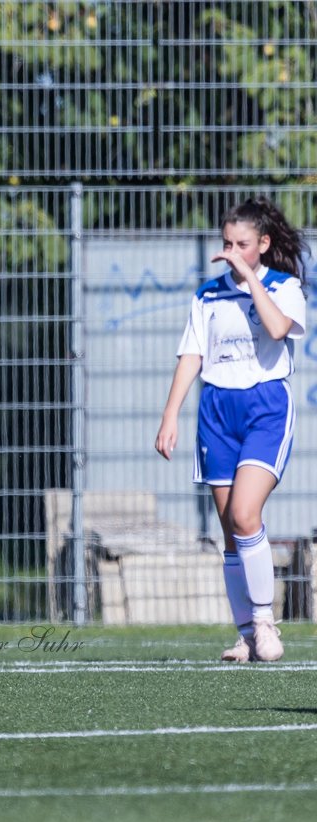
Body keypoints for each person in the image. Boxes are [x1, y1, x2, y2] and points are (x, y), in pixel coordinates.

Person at [155, 197, 308, 663]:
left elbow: (280, 328)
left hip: (265, 407)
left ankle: (265, 622)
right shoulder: (207, 294)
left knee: (246, 515)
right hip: (217, 411)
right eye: (226, 243)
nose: (231, 252)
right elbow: (192, 356)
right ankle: (245, 635)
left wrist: (249, 280)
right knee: (229, 531)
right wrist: (170, 414)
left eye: (242, 245)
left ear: (262, 244)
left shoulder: (284, 286)